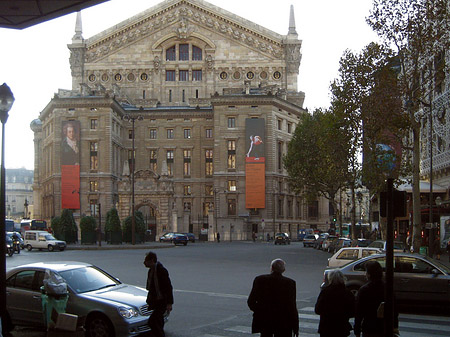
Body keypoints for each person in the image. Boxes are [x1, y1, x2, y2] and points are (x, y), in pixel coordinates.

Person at [247, 258, 299, 337]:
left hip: (265, 320)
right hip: (283, 321)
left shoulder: (260, 280)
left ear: (271, 268)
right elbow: (292, 306)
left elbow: (251, 301)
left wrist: (260, 311)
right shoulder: (290, 283)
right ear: (283, 270)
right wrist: (295, 327)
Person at [354, 261, 398, 337]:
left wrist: (357, 330)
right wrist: (394, 326)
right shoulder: (387, 288)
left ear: (369, 274)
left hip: (369, 328)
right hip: (384, 327)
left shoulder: (364, 290)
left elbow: (359, 312)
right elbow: (394, 309)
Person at [315, 269, 355, 337]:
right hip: (342, 328)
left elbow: (318, 309)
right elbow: (353, 311)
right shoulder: (347, 293)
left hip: (326, 328)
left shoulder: (325, 292)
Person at [143, 251, 173, 337]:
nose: (144, 263)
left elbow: (168, 287)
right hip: (155, 301)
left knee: (153, 322)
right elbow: (150, 288)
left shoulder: (161, 271)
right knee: (159, 322)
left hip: (162, 301)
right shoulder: (151, 271)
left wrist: (169, 303)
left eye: (146, 261)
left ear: (152, 260)